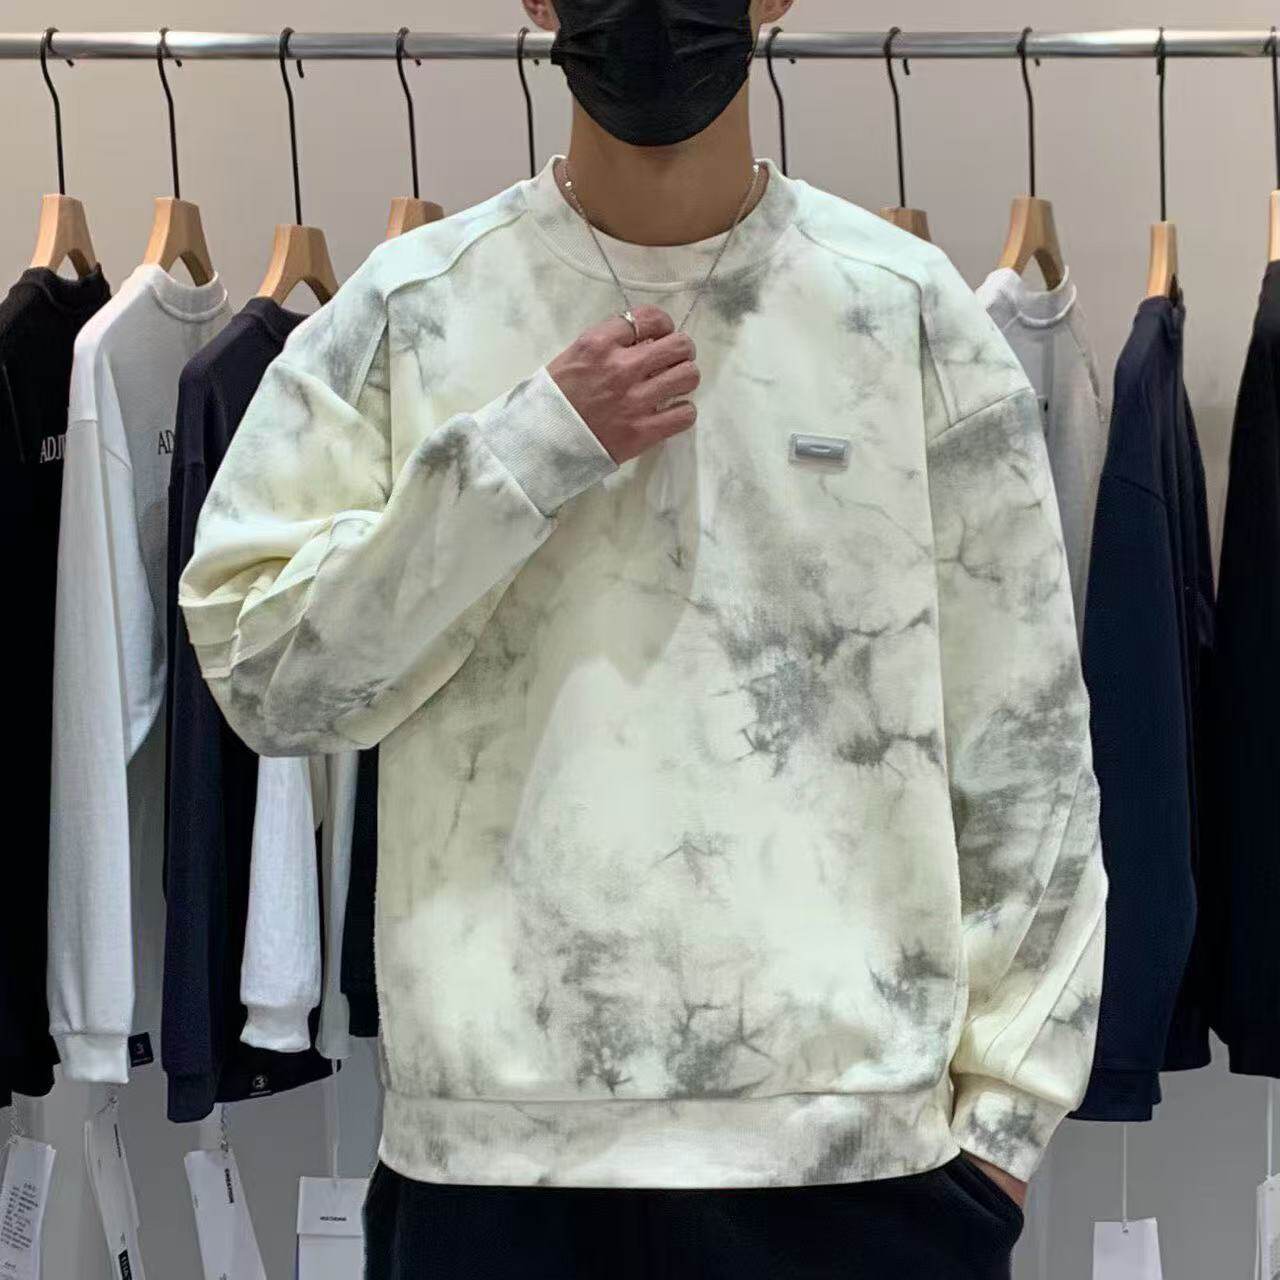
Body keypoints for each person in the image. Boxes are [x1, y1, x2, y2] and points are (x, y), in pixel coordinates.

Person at [179, 1, 1107, 1276]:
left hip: (853, 1173)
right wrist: (524, 452)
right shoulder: (412, 310)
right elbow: (267, 678)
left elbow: (1028, 744)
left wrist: (1001, 1124)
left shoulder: (903, 312)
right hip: (496, 1165)